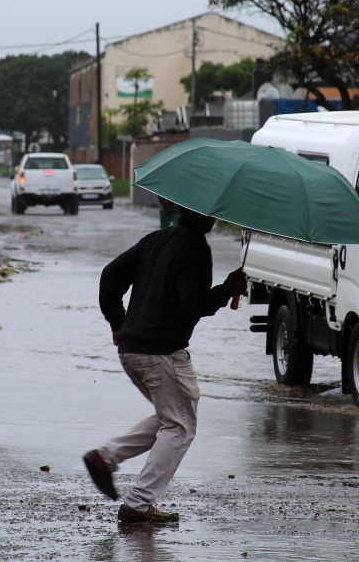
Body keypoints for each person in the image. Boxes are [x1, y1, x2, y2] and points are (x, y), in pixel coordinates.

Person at [83, 205, 246, 524]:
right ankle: (138, 504)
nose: (212, 219)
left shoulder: (155, 239)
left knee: (173, 417)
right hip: (162, 352)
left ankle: (106, 457)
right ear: (205, 218)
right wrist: (228, 289)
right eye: (211, 214)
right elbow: (191, 306)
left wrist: (119, 323)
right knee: (181, 426)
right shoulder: (196, 247)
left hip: (132, 349)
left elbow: (110, 277)